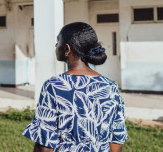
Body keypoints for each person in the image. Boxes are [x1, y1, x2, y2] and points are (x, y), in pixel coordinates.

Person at [22, 22, 127, 152]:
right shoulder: (110, 86)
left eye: (58, 41)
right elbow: (117, 138)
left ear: (67, 49)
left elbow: (45, 144)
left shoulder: (54, 86)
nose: (56, 46)